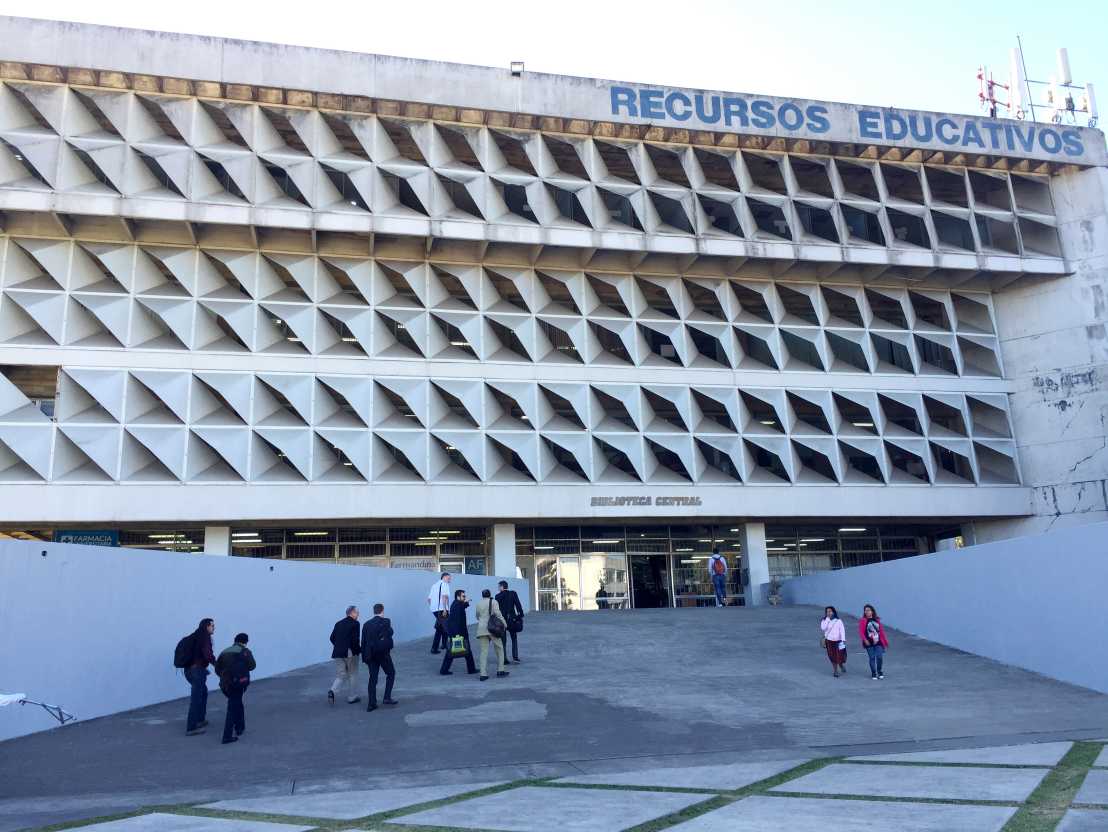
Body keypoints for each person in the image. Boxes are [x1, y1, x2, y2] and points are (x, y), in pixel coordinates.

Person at [214, 632, 255, 745]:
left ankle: (240, 727)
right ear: (245, 642)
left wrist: (226, 677)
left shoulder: (224, 651)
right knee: (232, 707)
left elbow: (217, 669)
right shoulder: (245, 652)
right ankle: (227, 736)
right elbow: (252, 666)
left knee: (237, 702)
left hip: (226, 685)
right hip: (239, 684)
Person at [361, 603, 398, 711]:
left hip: (370, 655)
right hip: (382, 654)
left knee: (373, 678)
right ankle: (387, 697)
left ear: (374, 611)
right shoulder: (386, 621)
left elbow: (363, 641)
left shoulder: (366, 624)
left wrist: (365, 657)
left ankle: (371, 704)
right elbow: (390, 632)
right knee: (391, 673)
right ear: (382, 610)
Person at [185, 618, 215, 735]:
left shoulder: (195, 635)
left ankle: (200, 720)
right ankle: (191, 728)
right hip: (197, 671)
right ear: (206, 626)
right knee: (196, 698)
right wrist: (217, 665)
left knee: (203, 692)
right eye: (212, 625)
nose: (214, 627)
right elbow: (207, 654)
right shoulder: (205, 636)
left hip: (190, 670)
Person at [328, 605, 361, 705]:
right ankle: (352, 697)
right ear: (351, 613)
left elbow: (332, 638)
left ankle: (332, 691)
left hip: (337, 653)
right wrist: (358, 650)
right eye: (357, 612)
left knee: (341, 674)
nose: (358, 614)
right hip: (350, 652)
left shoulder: (338, 623)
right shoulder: (355, 623)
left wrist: (339, 646)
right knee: (353, 674)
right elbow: (355, 640)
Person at [439, 589, 477, 675]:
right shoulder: (456, 605)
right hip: (458, 633)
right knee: (453, 651)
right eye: (463, 596)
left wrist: (466, 602)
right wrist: (456, 635)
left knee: (465, 651)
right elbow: (456, 621)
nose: (464, 598)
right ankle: (444, 670)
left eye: (465, 596)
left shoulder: (457, 604)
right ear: (458, 596)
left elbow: (463, 606)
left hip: (458, 632)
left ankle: (471, 669)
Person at [475, 588, 509, 681]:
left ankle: (483, 674)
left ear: (482, 595)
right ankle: (500, 670)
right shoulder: (494, 602)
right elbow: (498, 614)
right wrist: (505, 624)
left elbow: (477, 616)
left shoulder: (479, 603)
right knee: (499, 648)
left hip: (482, 629)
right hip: (493, 629)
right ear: (490, 595)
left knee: (483, 652)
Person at [495, 580, 524, 664]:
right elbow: (518, 605)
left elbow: (497, 609)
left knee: (503, 640)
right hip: (512, 619)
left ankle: (504, 659)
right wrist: (520, 616)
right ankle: (515, 657)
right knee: (514, 638)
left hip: (502, 621)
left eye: (499, 586)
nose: (498, 588)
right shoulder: (513, 593)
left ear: (501, 587)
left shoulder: (497, 596)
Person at [859, 604, 889, 680]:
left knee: (879, 657)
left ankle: (879, 671)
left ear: (872, 611)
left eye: (868, 610)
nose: (867, 612)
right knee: (872, 657)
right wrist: (865, 640)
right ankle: (873, 673)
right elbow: (861, 632)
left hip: (878, 641)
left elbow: (881, 631)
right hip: (868, 642)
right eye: (865, 610)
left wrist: (885, 641)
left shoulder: (877, 620)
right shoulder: (863, 620)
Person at [427, 572, 453, 654]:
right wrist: (445, 609)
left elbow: (429, 599)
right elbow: (444, 596)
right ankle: (434, 648)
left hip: (434, 609)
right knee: (441, 628)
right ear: (444, 577)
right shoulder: (445, 584)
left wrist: (434, 607)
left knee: (442, 626)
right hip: (442, 609)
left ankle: (444, 644)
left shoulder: (434, 585)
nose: (450, 580)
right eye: (449, 578)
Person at [820, 606, 847, 677]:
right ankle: (835, 670)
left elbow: (842, 630)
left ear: (834, 612)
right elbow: (823, 628)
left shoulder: (838, 621)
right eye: (827, 612)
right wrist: (827, 620)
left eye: (830, 611)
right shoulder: (824, 620)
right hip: (829, 641)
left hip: (839, 641)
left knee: (840, 655)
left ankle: (841, 664)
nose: (829, 613)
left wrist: (843, 640)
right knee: (832, 656)